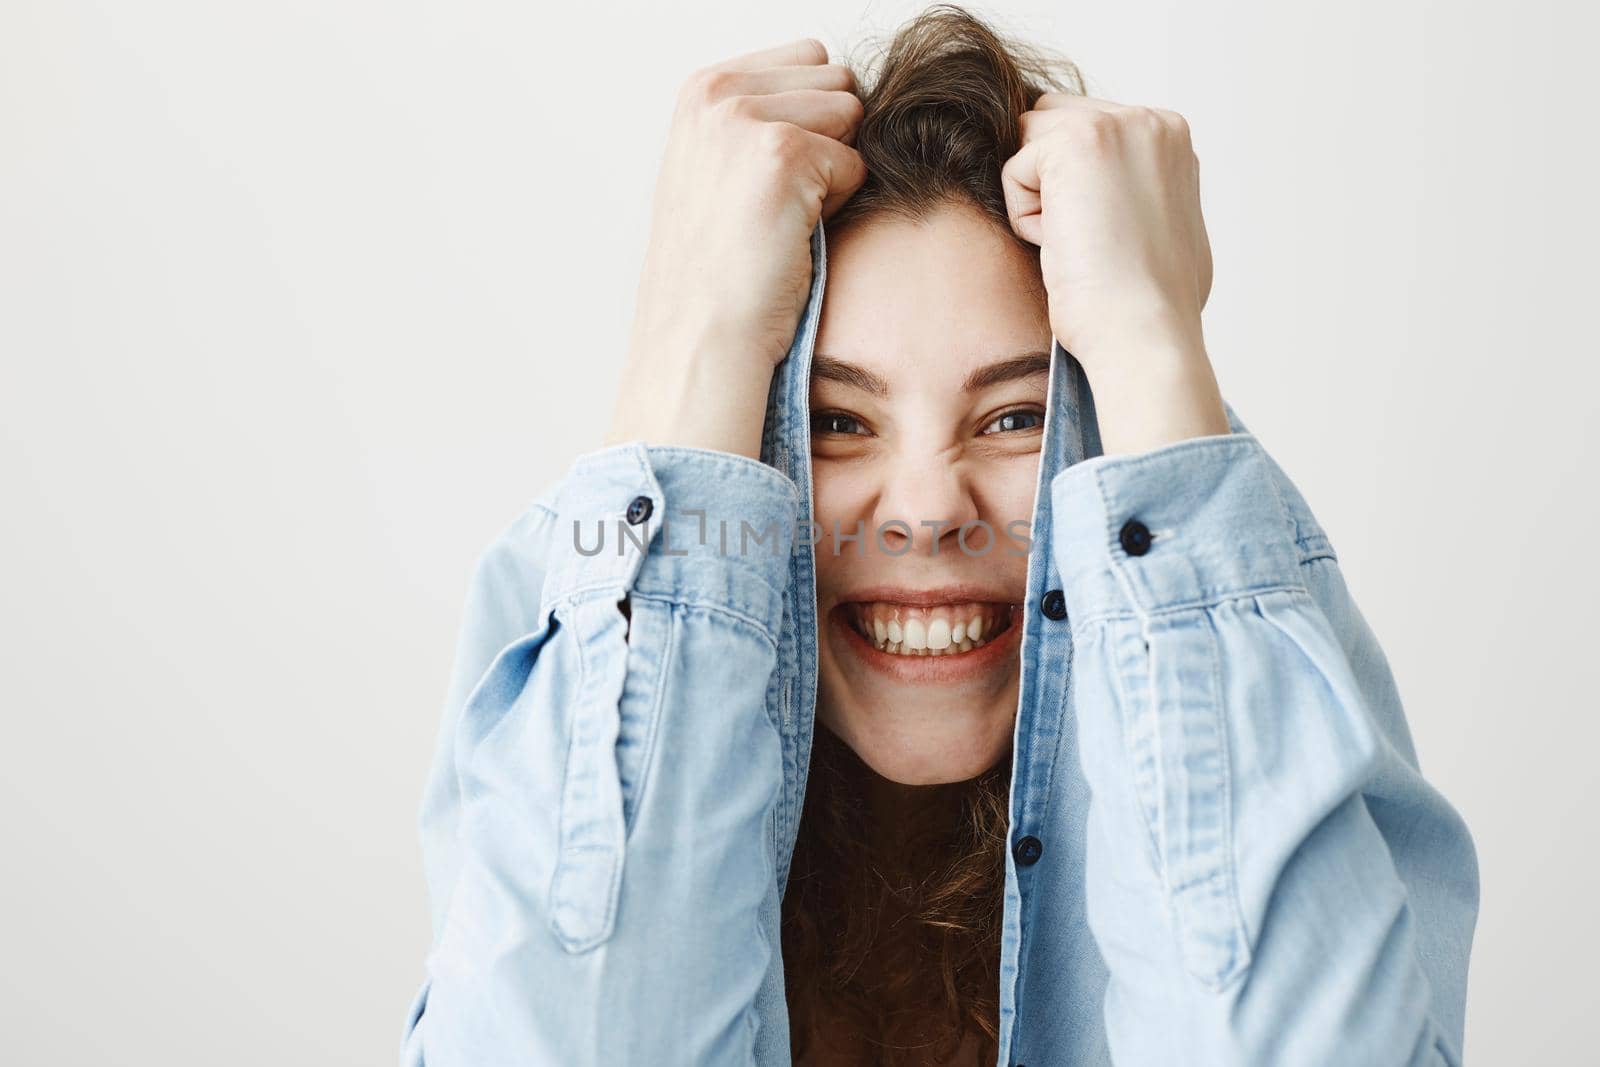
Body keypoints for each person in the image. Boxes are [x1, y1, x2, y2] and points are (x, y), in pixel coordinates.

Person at [398, 5, 1480, 1065]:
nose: (926, 509)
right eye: (835, 421)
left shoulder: (1261, 682)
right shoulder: (562, 695)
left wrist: (1153, 348)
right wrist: (694, 337)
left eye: (1017, 418)